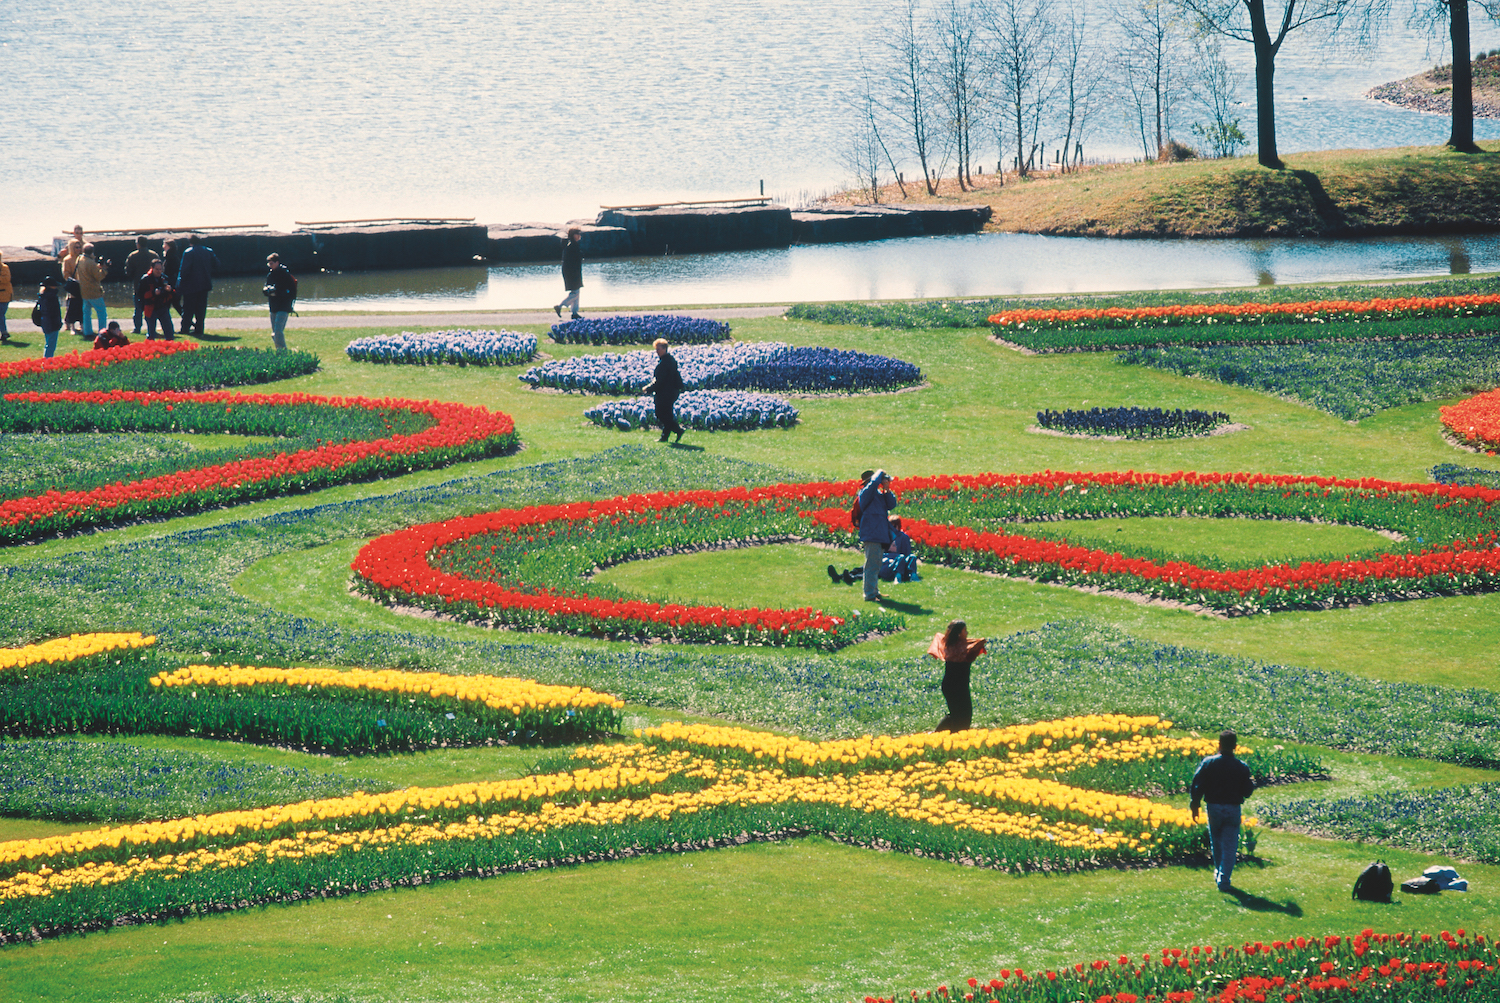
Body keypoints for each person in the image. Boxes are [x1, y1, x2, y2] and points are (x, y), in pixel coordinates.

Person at [1189, 731, 1256, 892]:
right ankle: (1224, 877)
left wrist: (1195, 805)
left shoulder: (1208, 763)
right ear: (1235, 746)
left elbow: (1197, 785)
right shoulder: (1241, 766)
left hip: (1214, 807)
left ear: (1219, 744)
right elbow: (1247, 791)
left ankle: (1219, 871)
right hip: (1233, 808)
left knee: (1216, 842)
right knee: (1230, 844)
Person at [927, 620, 986, 732]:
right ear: (959, 634)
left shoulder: (948, 644)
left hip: (948, 685)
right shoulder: (963, 648)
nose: (967, 633)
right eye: (965, 631)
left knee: (955, 714)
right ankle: (952, 736)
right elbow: (974, 647)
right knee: (965, 714)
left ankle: (940, 734)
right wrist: (981, 642)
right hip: (959, 687)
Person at [856, 469, 898, 601]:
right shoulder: (865, 493)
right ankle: (869, 594)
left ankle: (874, 591)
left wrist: (887, 489)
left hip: (880, 534)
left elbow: (892, 504)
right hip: (871, 533)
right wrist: (880, 473)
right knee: (871, 565)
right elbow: (873, 483)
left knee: (876, 564)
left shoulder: (879, 495)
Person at [643, 337, 685, 444]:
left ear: (665, 349)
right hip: (672, 391)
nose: (657, 351)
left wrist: (648, 389)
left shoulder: (664, 363)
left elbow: (660, 381)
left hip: (665, 392)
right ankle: (664, 437)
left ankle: (678, 430)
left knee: (660, 414)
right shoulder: (670, 360)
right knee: (667, 414)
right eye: (656, 349)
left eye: (659, 349)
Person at [177, 235, 219, 337]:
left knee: (188, 308)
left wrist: (179, 285)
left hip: (190, 285)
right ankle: (199, 329)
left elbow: (184, 270)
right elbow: (217, 264)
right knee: (201, 309)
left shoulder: (188, 252)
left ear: (190, 242)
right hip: (204, 284)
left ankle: (185, 328)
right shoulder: (208, 251)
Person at [262, 253, 298, 351]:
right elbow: (267, 287)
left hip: (283, 306)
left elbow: (290, 292)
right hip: (273, 306)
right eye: (269, 264)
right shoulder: (270, 274)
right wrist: (267, 290)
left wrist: (277, 292)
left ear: (277, 262)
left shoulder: (285, 274)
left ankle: (283, 352)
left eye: (272, 263)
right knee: (275, 333)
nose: (270, 265)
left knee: (277, 331)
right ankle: (279, 351)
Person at [123, 236, 159, 334]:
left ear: (138, 244)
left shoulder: (133, 256)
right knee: (152, 308)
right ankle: (152, 328)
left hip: (138, 286)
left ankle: (137, 328)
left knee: (138, 309)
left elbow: (128, 271)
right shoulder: (153, 255)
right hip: (152, 286)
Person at [75, 244, 109, 340]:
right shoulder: (91, 263)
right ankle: (102, 332)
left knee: (86, 313)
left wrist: (98, 266)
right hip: (94, 292)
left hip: (84, 291)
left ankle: (87, 332)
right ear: (92, 252)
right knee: (101, 312)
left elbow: (89, 271)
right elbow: (99, 276)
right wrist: (104, 269)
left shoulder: (79, 259)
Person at [138, 259, 175, 340]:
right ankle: (150, 348)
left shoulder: (165, 278)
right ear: (152, 268)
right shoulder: (145, 279)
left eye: (160, 269)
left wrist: (170, 290)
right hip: (150, 308)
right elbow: (140, 295)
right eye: (157, 269)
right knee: (151, 333)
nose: (159, 271)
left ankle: (170, 348)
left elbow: (173, 294)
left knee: (169, 331)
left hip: (162, 307)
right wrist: (153, 293)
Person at [554, 227, 583, 319]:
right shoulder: (571, 246)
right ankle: (560, 306)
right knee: (575, 293)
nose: (579, 236)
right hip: (572, 273)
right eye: (578, 234)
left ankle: (574, 313)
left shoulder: (572, 245)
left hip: (574, 272)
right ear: (574, 235)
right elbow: (571, 261)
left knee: (576, 291)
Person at [881, 517, 921, 583]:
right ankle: (897, 576)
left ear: (897, 526)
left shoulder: (904, 537)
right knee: (900, 557)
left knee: (912, 557)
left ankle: (912, 575)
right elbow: (880, 555)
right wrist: (890, 551)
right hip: (889, 563)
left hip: (901, 561)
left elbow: (907, 554)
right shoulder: (885, 537)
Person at [59, 239, 83, 335]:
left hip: (82, 285)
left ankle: (82, 325)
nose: (78, 249)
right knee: (72, 306)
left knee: (82, 306)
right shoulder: (67, 259)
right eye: (76, 247)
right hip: (73, 285)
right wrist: (73, 281)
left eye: (79, 247)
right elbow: (65, 273)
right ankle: (72, 326)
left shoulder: (82, 258)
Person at [34, 276, 62, 358]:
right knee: (51, 345)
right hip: (52, 323)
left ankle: (47, 361)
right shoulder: (51, 297)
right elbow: (53, 312)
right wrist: (57, 323)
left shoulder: (43, 296)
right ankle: (47, 363)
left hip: (45, 322)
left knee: (49, 343)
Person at [162, 238, 185, 325]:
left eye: (165, 245)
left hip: (171, 285)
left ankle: (167, 324)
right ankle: (188, 322)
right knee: (176, 305)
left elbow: (169, 272)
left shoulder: (170, 257)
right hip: (174, 284)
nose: (163, 247)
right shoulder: (174, 256)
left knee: (168, 305)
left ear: (169, 246)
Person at [0, 250, 11, 344]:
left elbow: (6, 279)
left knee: (0, 314)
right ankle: (4, 332)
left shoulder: (4, 268)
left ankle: (4, 332)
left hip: (4, 295)